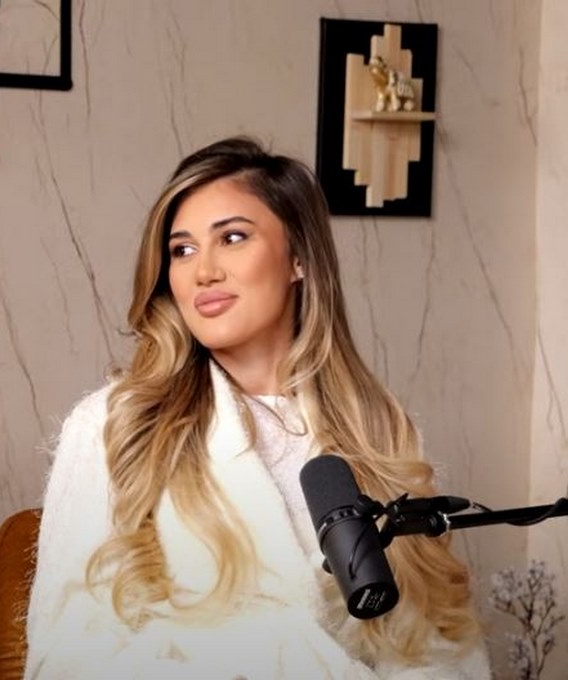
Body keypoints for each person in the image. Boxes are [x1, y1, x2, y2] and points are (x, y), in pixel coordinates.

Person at [24, 138, 489, 678]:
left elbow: (439, 645)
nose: (203, 271)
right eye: (182, 250)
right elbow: (64, 656)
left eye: (232, 238)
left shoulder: (379, 435)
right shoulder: (114, 427)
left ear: (298, 258)